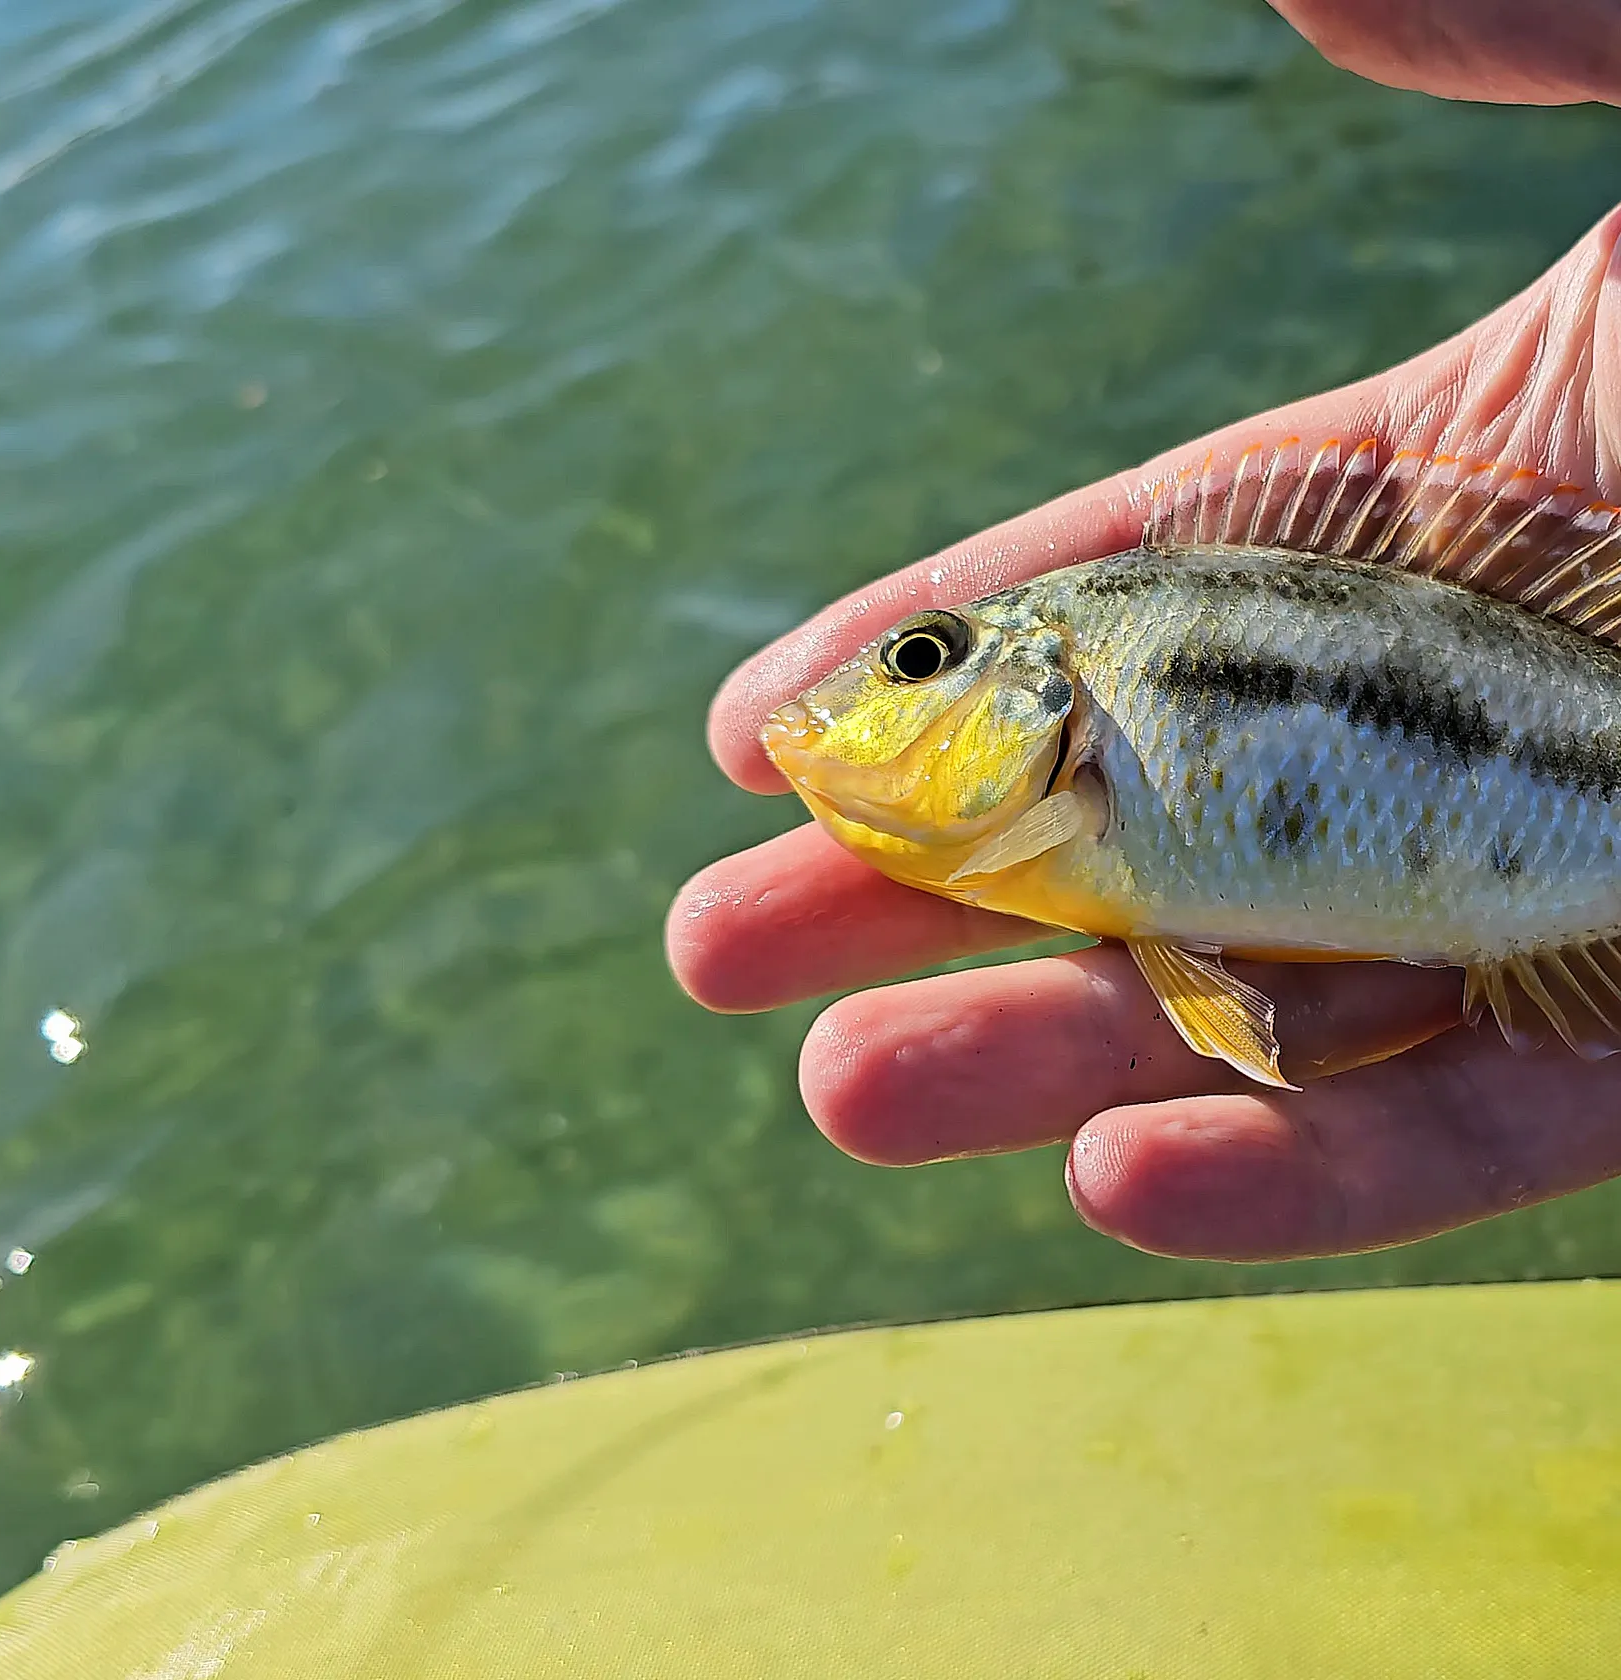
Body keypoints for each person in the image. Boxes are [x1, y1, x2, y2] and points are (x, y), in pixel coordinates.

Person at [667, 0, 1621, 1264]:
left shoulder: (1095, 706)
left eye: (920, 661)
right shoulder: (1078, 753)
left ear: (1045, 700)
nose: (846, 706)